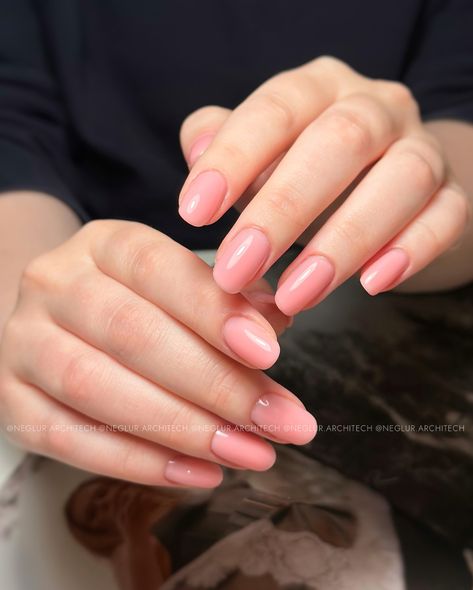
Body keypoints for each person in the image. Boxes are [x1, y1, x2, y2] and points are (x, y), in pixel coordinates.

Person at [0, 0, 472, 489]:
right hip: (99, 316)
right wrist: (27, 309)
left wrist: (414, 193)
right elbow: (11, 138)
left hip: (398, 364)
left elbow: (461, 112)